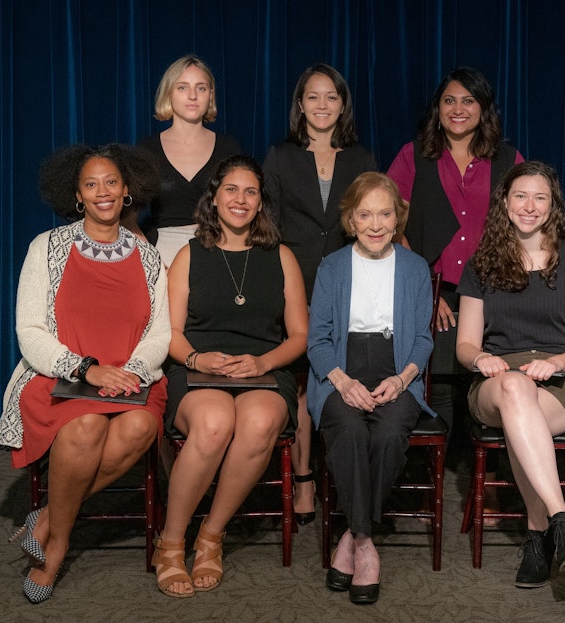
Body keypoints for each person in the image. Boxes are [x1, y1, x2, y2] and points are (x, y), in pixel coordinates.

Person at [0, 144, 170, 603]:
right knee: (86, 425)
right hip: (59, 377)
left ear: (127, 190)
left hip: (132, 380)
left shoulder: (149, 259)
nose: (102, 192)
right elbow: (28, 330)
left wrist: (129, 371)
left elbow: (159, 333)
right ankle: (57, 549)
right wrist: (86, 369)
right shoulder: (47, 247)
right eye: (91, 184)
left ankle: (49, 519)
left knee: (139, 427)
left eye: (111, 182)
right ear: (77, 195)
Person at [153, 155, 308, 599]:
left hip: (264, 368)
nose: (240, 199)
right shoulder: (189, 256)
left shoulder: (281, 257)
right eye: (232, 190)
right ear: (215, 197)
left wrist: (264, 363)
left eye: (250, 192)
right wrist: (198, 359)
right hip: (199, 367)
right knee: (215, 423)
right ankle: (170, 543)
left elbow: (300, 335)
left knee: (258, 424)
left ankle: (210, 537)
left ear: (261, 203)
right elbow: (171, 334)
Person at [387, 67, 523, 519]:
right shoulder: (414, 157)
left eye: (468, 100)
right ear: (437, 109)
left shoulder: (508, 159)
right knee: (440, 380)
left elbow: (525, 224)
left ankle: (492, 481)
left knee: (493, 378)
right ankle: (438, 478)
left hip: (495, 288)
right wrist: (426, 290)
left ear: (483, 109)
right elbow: (390, 225)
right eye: (449, 100)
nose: (458, 109)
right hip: (435, 289)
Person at [455, 161, 565, 588]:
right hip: (497, 380)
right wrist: (480, 359)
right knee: (517, 390)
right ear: (505, 202)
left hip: (563, 380)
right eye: (520, 195)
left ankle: (538, 537)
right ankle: (561, 518)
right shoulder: (483, 261)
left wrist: (555, 363)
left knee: (525, 422)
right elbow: (464, 344)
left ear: (553, 206)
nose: (529, 206)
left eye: (540, 197)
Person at [307, 172, 435, 605]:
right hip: (340, 369)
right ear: (351, 219)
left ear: (398, 217)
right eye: (366, 214)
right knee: (349, 429)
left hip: (396, 369)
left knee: (386, 432)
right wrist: (340, 381)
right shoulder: (333, 266)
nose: (376, 224)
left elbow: (422, 339)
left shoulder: (415, 268)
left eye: (385, 214)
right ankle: (366, 545)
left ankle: (351, 535)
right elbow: (318, 340)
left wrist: (402, 380)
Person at [263, 63, 378, 526]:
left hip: (349, 285)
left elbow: (376, 221)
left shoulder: (362, 158)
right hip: (293, 283)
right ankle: (304, 478)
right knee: (299, 382)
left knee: (336, 377)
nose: (323, 105)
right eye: (313, 97)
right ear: (300, 105)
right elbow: (265, 225)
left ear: (343, 104)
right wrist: (292, 289)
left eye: (332, 97)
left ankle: (343, 478)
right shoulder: (279, 157)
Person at [132, 54, 242, 265]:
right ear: (169, 93)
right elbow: (128, 214)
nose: (193, 95)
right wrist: (149, 257)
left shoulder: (229, 148)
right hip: (163, 254)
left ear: (210, 95)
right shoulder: (147, 149)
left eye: (201, 88)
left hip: (218, 249)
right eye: (182, 87)